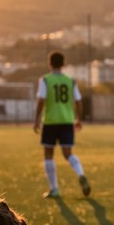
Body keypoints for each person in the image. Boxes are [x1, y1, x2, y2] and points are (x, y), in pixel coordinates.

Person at [33, 51, 91, 199]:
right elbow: (78, 101)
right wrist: (78, 118)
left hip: (51, 121)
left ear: (49, 63)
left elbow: (41, 100)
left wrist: (36, 119)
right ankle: (81, 174)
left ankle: (54, 189)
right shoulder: (70, 80)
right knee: (68, 153)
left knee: (48, 153)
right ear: (64, 64)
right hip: (67, 121)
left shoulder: (45, 80)